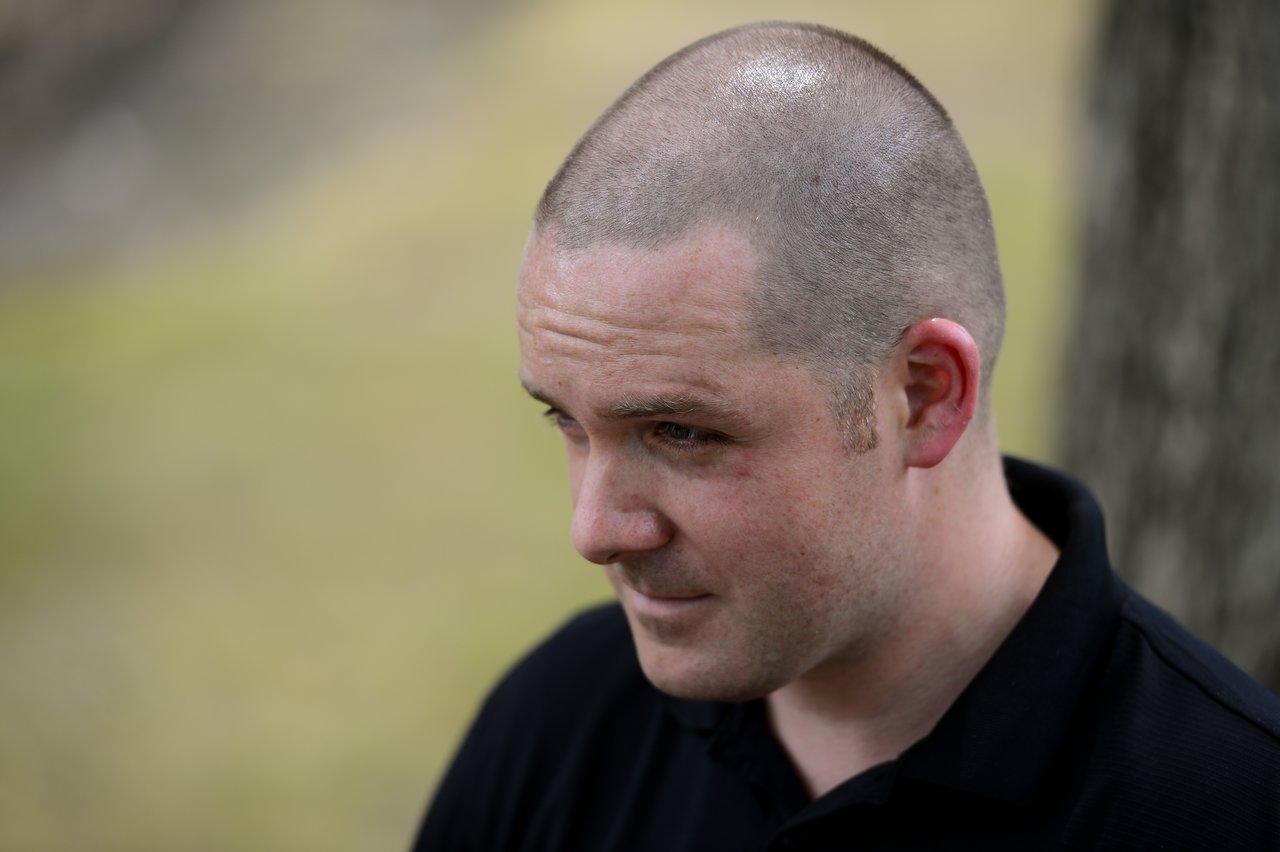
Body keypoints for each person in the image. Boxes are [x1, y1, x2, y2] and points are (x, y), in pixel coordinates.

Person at [413, 22, 1280, 851]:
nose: (595, 531)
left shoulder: (1231, 812)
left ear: (925, 396)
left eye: (680, 431)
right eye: (566, 420)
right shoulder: (560, 723)